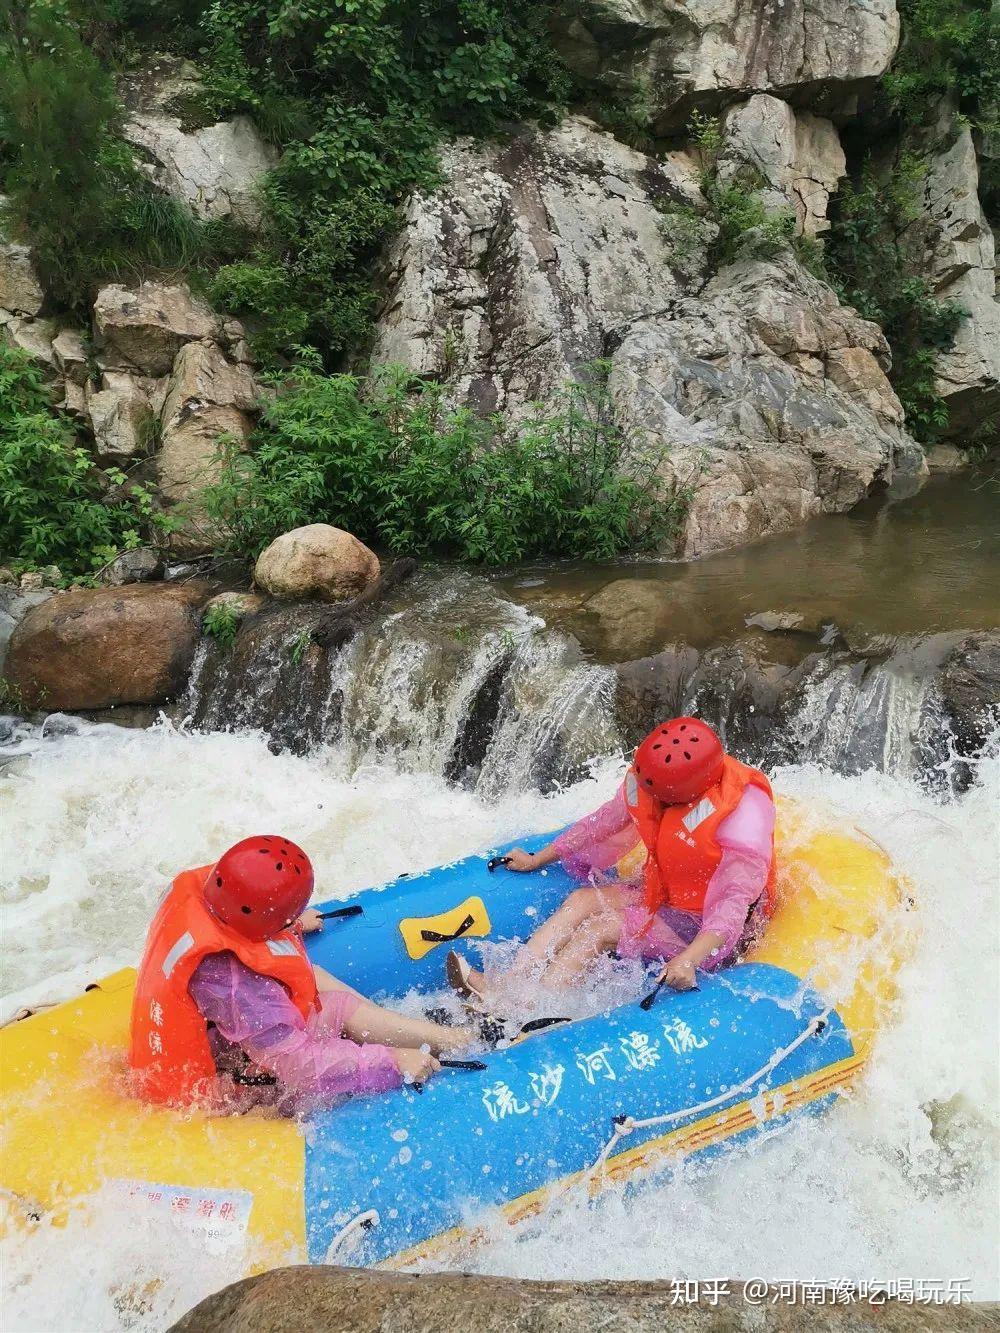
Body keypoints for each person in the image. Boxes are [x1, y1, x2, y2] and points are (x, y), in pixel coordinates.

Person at [129, 835, 477, 1110]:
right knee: (326, 1041)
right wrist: (392, 1062)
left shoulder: (204, 893)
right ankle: (462, 1042)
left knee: (328, 996)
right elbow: (299, 1068)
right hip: (207, 1091)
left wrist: (288, 924)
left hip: (208, 1040)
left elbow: (240, 913)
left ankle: (459, 1039)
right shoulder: (239, 985)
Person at [447, 718, 776, 1002]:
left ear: (686, 793)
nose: (647, 797)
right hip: (666, 890)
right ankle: (506, 987)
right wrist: (538, 858)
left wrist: (690, 959)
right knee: (581, 901)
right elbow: (607, 820)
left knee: (601, 928)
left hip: (706, 925)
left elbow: (732, 907)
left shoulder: (742, 818)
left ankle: (528, 1011)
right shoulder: (653, 776)